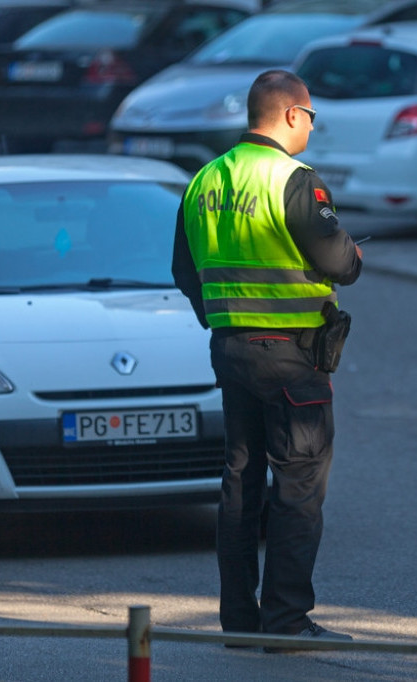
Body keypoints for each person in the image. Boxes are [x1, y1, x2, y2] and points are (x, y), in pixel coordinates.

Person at [171, 69, 363, 650]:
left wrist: (224, 320)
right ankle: (286, 620)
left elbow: (184, 271)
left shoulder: (204, 179)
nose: (311, 127)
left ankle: (239, 620)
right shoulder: (293, 178)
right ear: (289, 115)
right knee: (299, 487)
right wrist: (351, 252)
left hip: (231, 352)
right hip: (291, 359)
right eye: (310, 117)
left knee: (240, 483)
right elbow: (340, 263)